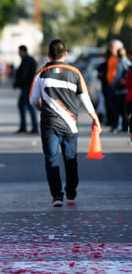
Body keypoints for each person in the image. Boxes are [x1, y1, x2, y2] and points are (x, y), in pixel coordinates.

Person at [30, 39, 102, 207]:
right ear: (65, 54)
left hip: (49, 123)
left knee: (51, 160)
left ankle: (56, 196)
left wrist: (42, 109)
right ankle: (71, 191)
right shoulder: (75, 72)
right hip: (70, 124)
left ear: (49, 55)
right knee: (71, 159)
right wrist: (94, 117)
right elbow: (85, 98)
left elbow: (33, 100)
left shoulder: (40, 74)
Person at [13, 45, 38, 134]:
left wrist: (17, 84)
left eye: (19, 51)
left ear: (23, 51)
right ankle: (24, 126)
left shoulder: (27, 60)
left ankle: (34, 127)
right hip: (27, 86)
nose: (18, 53)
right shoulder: (28, 60)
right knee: (21, 105)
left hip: (27, 87)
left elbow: (23, 74)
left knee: (29, 106)